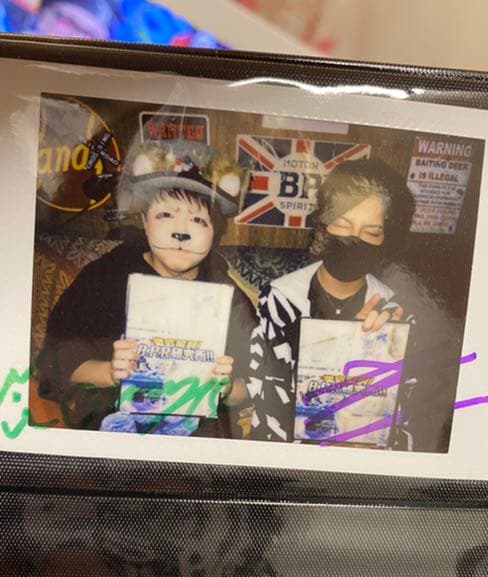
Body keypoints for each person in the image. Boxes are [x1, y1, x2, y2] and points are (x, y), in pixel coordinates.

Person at [34, 140, 256, 438]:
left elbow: (255, 383)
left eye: (198, 219)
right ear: (145, 222)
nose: (181, 231)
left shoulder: (225, 294)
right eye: (165, 215)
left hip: (198, 442)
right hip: (116, 433)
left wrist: (226, 389)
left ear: (214, 230)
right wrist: (109, 371)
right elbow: (57, 361)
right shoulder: (106, 278)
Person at [247, 157, 416, 446]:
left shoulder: (395, 313)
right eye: (342, 224)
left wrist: (375, 353)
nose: (354, 240)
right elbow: (264, 395)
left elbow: (401, 414)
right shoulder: (280, 299)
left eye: (371, 232)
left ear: (387, 239)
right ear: (323, 224)